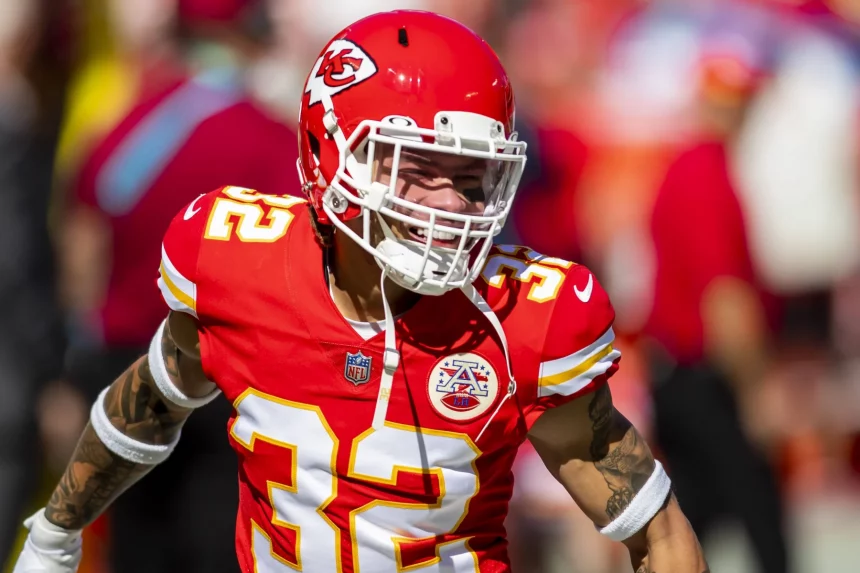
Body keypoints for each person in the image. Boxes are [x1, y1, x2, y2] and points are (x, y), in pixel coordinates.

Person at [13, 11, 708, 573]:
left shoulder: (521, 318)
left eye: (471, 177)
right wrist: (55, 530)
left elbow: (662, 535)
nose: (448, 205)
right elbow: (150, 402)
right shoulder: (236, 266)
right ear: (328, 152)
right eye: (417, 169)